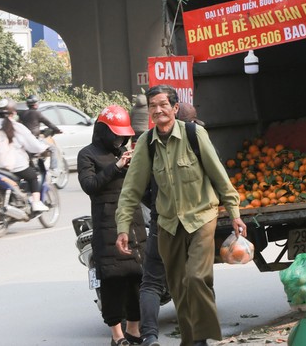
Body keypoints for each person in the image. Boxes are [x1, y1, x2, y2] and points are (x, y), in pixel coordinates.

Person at [115, 85, 247, 346]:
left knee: (196, 278)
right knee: (178, 289)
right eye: (153, 106)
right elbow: (131, 189)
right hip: (168, 224)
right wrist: (122, 226)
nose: (158, 110)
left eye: (163, 104)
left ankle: (205, 334)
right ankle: (193, 341)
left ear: (175, 108)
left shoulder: (195, 134)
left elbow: (219, 176)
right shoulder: (146, 143)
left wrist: (234, 212)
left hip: (201, 217)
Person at [77, 105, 147, 346]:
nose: (119, 139)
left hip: (134, 222)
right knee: (112, 280)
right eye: (115, 134)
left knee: (137, 278)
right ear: (103, 131)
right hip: (106, 223)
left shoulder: (125, 152)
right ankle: (117, 334)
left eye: (122, 135)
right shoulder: (87, 154)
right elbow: (90, 185)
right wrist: (116, 168)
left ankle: (134, 330)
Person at [135, 102, 203, 346]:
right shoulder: (197, 142)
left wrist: (155, 204)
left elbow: (138, 188)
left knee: (151, 282)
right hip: (193, 225)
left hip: (160, 223)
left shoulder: (150, 145)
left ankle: (150, 337)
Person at [0, 98, 50, 212]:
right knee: (33, 176)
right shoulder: (17, 127)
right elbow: (32, 144)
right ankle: (36, 203)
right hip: (15, 165)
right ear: (14, 113)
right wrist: (44, 148)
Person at [19, 94, 62, 172]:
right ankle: (54, 168)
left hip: (23, 141)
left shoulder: (22, 114)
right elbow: (49, 123)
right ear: (35, 104)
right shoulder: (37, 114)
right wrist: (57, 130)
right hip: (34, 140)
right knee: (53, 148)